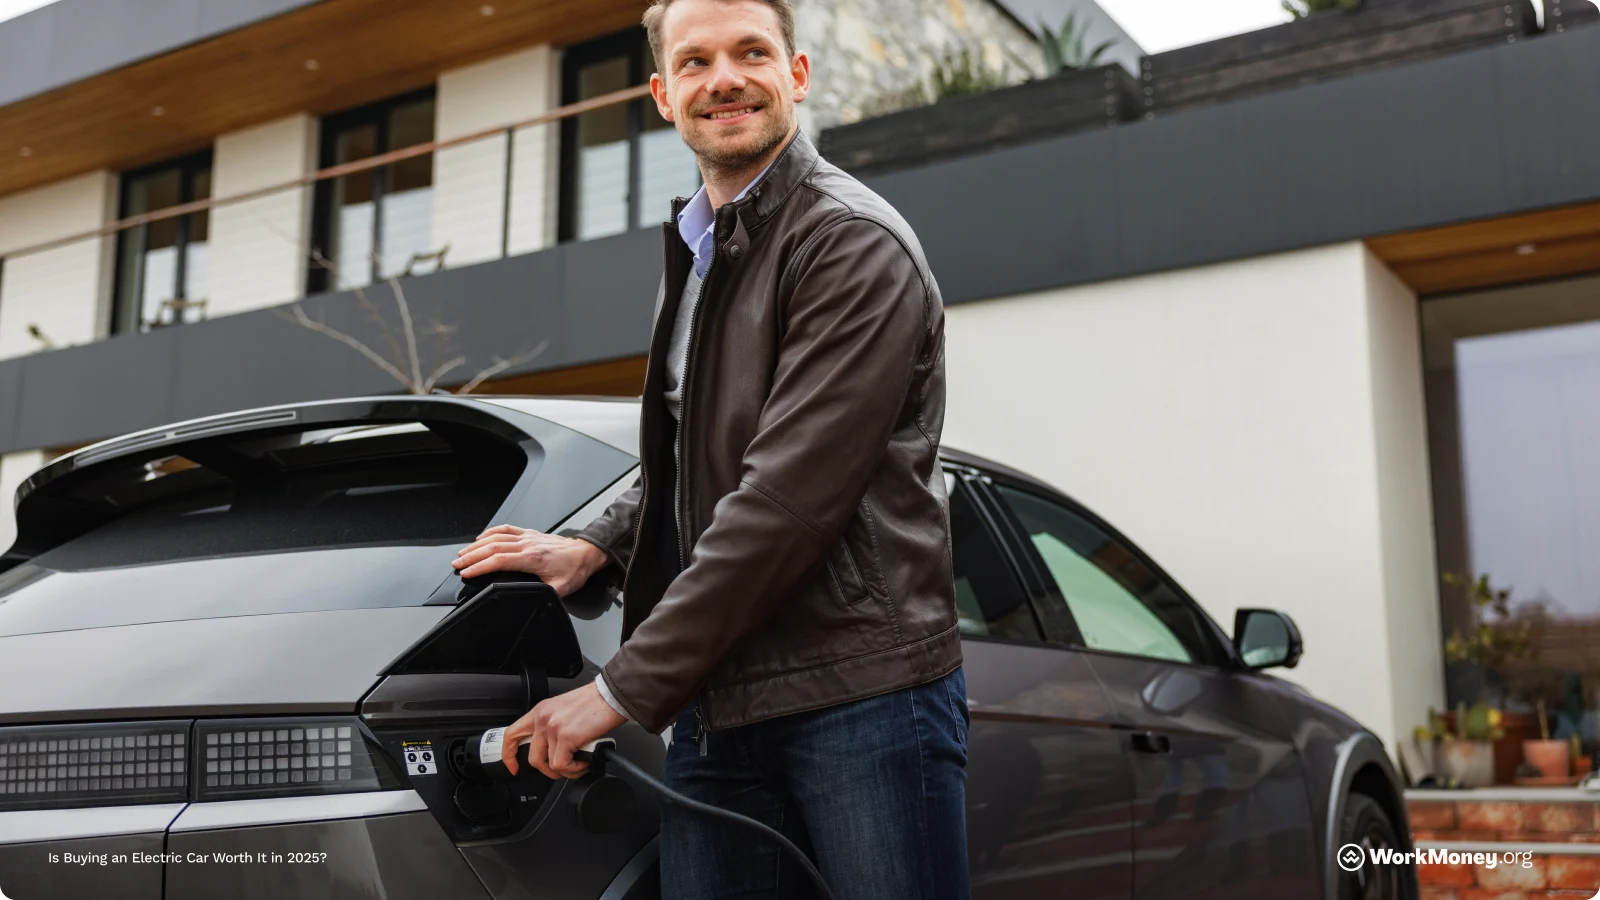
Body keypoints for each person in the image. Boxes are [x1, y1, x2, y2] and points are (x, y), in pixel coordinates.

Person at [451, 0, 967, 895]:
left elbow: (785, 503)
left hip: (861, 697)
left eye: (751, 53)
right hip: (719, 703)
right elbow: (697, 444)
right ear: (662, 94)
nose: (722, 79)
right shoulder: (702, 247)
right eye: (695, 63)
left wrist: (615, 693)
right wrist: (599, 542)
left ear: (796, 75)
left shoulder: (848, 243)